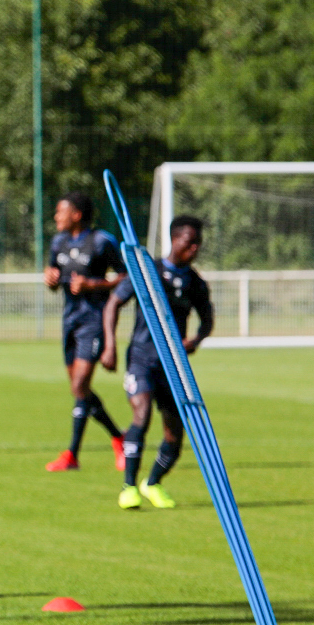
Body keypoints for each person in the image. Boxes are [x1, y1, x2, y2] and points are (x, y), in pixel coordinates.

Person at [100, 215, 214, 510]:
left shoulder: (195, 283)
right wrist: (109, 345)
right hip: (142, 358)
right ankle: (128, 487)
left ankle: (152, 483)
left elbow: (207, 320)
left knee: (175, 433)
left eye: (198, 244)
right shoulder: (148, 272)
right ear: (175, 239)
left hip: (173, 365)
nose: (194, 249)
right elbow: (113, 303)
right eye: (189, 242)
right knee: (142, 414)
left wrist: (195, 340)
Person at [41, 192, 126, 472]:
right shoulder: (59, 242)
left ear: (76, 214)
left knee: (79, 386)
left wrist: (93, 285)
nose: (56, 217)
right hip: (70, 321)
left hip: (95, 320)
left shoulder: (102, 241)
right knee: (80, 389)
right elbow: (54, 278)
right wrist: (51, 280)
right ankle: (119, 437)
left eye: (60, 211)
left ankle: (72, 455)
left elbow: (126, 276)